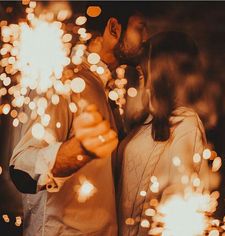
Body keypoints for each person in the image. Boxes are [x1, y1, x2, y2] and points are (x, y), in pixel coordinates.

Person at [9, 3, 147, 236]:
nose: (145, 38)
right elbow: (22, 167)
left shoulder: (105, 88)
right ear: (114, 28)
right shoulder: (64, 81)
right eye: (140, 28)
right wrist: (78, 150)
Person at [118, 31, 210, 236]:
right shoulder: (146, 120)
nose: (141, 77)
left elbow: (179, 201)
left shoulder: (185, 123)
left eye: (144, 71)